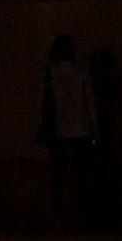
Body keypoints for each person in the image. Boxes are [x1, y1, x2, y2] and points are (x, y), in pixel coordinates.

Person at [40, 35, 97, 227]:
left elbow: (41, 104)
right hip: (81, 131)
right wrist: (95, 130)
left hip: (57, 131)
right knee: (82, 175)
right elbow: (91, 104)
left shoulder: (49, 74)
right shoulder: (82, 73)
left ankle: (58, 217)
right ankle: (84, 216)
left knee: (57, 175)